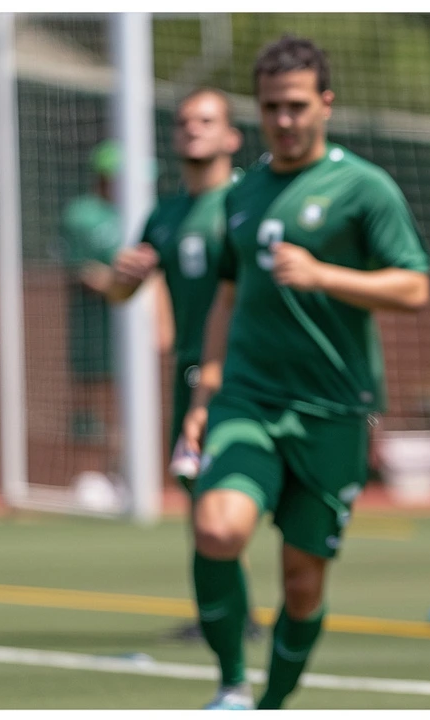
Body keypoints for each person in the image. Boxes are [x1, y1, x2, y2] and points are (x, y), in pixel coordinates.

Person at [179, 36, 430, 710]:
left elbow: (413, 288)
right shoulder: (242, 194)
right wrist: (206, 390)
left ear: (325, 103)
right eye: (270, 107)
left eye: (295, 106)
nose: (283, 120)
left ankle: (270, 705)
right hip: (249, 401)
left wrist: (323, 275)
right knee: (217, 529)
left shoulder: (363, 187)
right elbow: (226, 299)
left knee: (302, 586)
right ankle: (231, 685)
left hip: (333, 413)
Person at [102, 87, 263, 643]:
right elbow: (125, 294)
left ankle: (238, 618)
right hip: (188, 373)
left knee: (226, 487)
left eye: (206, 120)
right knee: (194, 488)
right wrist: (123, 278)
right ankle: (224, 614)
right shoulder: (164, 213)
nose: (192, 129)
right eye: (184, 122)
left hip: (243, 371)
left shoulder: (249, 200)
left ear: (231, 136)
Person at [60, 141, 123, 453]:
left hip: (133, 327)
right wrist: (126, 285)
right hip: (95, 327)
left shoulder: (138, 209)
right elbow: (82, 271)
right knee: (92, 407)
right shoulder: (82, 215)